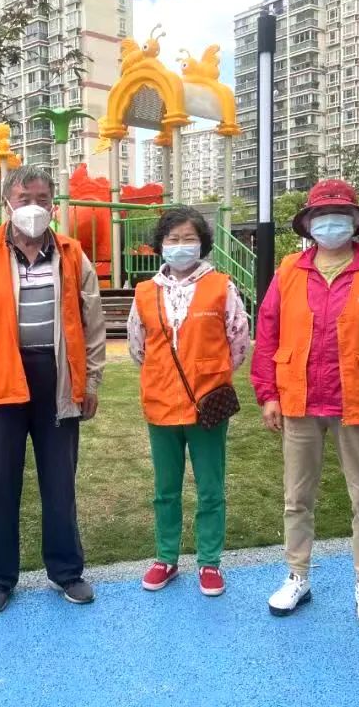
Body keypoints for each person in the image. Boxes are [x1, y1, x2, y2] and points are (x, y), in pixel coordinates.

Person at [0, 165, 106, 614]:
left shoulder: (72, 254)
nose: (34, 207)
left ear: (54, 204)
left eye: (42, 198)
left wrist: (91, 380)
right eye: (24, 198)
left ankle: (67, 571)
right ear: (6, 203)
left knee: (60, 482)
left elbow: (92, 324)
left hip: (57, 379)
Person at [251, 179, 359, 629]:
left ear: (355, 221)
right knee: (296, 497)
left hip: (358, 401)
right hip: (299, 400)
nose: (330, 223)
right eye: (321, 215)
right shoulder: (289, 270)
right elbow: (268, 332)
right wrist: (268, 393)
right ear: (308, 223)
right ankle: (297, 575)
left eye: (340, 214)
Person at [127, 206, 250, 596]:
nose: (181, 246)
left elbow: (238, 340)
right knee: (165, 489)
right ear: (161, 244)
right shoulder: (144, 292)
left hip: (207, 405)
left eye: (189, 239)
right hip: (160, 404)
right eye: (173, 239)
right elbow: (138, 346)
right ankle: (166, 557)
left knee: (210, 487)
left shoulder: (221, 287)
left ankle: (209, 561)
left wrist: (210, 373)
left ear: (203, 244)